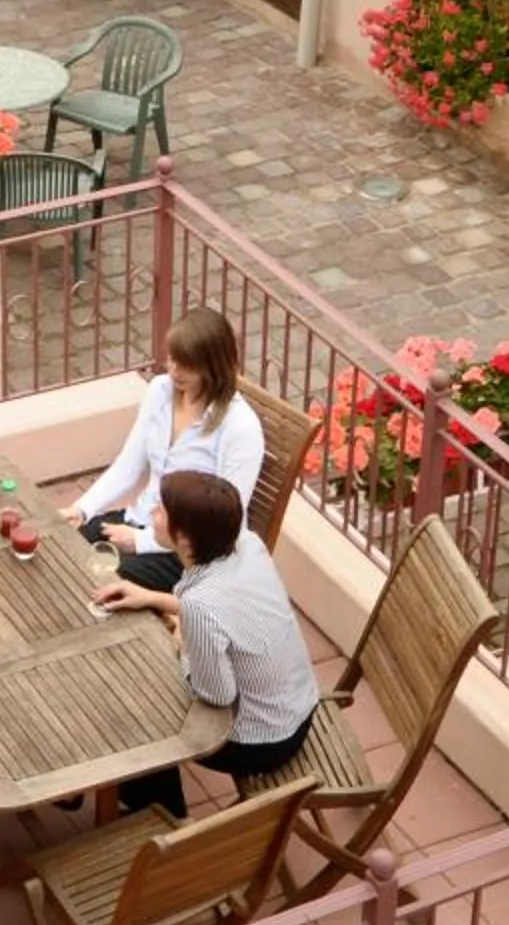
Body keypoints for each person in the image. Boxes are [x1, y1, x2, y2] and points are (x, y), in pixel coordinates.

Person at [93, 469, 321, 822]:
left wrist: (182, 644)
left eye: (162, 510)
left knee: (140, 701)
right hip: (299, 706)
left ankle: (162, 810)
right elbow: (224, 610)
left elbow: (215, 694)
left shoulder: (201, 604)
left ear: (184, 541)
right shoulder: (247, 545)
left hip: (260, 742)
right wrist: (150, 598)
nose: (152, 511)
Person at [59, 307, 264, 595]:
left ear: (214, 365)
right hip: (139, 520)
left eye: (186, 365)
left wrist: (143, 543)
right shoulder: (160, 390)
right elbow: (128, 466)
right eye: (171, 359)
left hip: (184, 554)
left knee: (97, 579)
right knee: (60, 548)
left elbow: (224, 525)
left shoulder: (240, 428)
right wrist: (82, 509)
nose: (173, 371)